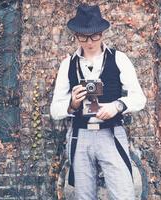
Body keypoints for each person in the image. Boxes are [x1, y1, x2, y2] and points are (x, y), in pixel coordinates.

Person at [50, 4, 146, 200]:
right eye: (83, 36)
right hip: (80, 135)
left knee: (123, 193)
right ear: (76, 35)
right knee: (84, 196)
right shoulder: (67, 64)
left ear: (102, 33)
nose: (90, 41)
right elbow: (55, 109)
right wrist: (72, 104)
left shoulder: (119, 59)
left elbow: (139, 98)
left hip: (111, 134)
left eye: (95, 35)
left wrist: (117, 106)